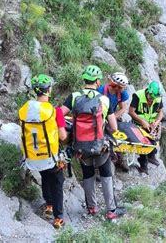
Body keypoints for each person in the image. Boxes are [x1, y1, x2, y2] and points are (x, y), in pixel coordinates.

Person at [60, 65, 126, 220]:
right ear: (97, 81)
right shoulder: (104, 100)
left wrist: (67, 133)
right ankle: (111, 210)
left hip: (80, 145)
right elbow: (114, 126)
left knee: (88, 174)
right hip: (99, 146)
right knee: (106, 174)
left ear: (84, 79)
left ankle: (92, 207)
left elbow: (59, 114)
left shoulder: (74, 96)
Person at [19, 74, 67, 229]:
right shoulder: (55, 111)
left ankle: (49, 205)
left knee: (45, 177)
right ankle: (58, 217)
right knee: (58, 182)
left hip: (32, 157)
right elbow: (63, 136)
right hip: (50, 157)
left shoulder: (25, 110)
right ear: (49, 90)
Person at [128, 81, 163, 174]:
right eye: (151, 97)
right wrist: (142, 121)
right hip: (138, 123)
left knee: (154, 139)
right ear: (148, 91)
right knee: (143, 143)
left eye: (154, 98)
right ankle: (143, 165)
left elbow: (161, 112)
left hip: (151, 124)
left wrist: (157, 121)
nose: (152, 99)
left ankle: (152, 156)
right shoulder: (138, 96)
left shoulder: (158, 98)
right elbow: (131, 111)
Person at [98, 72, 130, 172]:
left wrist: (113, 117)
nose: (123, 89)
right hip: (99, 115)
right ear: (116, 86)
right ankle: (101, 164)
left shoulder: (122, 93)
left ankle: (120, 158)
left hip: (112, 115)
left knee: (119, 134)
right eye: (122, 87)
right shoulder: (101, 91)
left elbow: (123, 107)